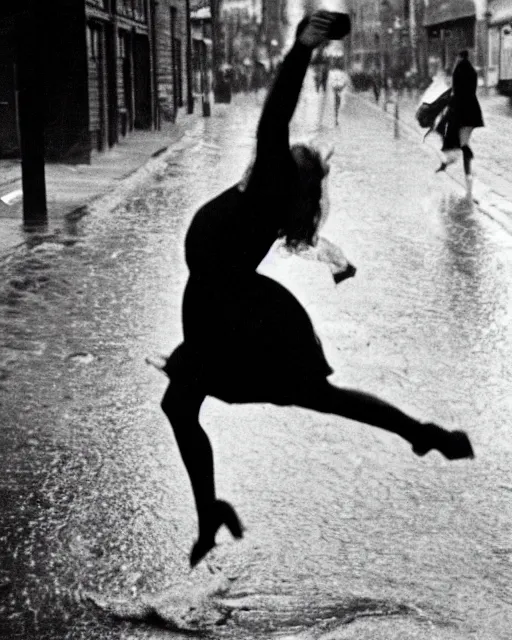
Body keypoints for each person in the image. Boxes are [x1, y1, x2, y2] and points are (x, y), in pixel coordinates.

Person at [160, 12, 474, 569]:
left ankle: (420, 433)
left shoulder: (268, 182)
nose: (277, 152)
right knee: (191, 403)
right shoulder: (268, 193)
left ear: (288, 169)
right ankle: (210, 512)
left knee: (224, 400)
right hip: (218, 305)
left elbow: (275, 114)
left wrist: (302, 48)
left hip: (233, 311)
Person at [435, 50, 484, 195]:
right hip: (472, 112)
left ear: (459, 57)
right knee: (463, 142)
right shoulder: (472, 71)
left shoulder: (458, 70)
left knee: (452, 136)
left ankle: (463, 170)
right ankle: (465, 171)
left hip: (461, 112)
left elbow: (456, 92)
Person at [329, 62, 350, 126]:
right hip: (339, 89)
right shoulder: (343, 73)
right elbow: (346, 82)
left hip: (335, 89)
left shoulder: (331, 73)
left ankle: (336, 117)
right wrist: (342, 87)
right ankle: (336, 117)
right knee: (338, 104)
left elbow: (330, 82)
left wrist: (334, 87)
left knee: (336, 104)